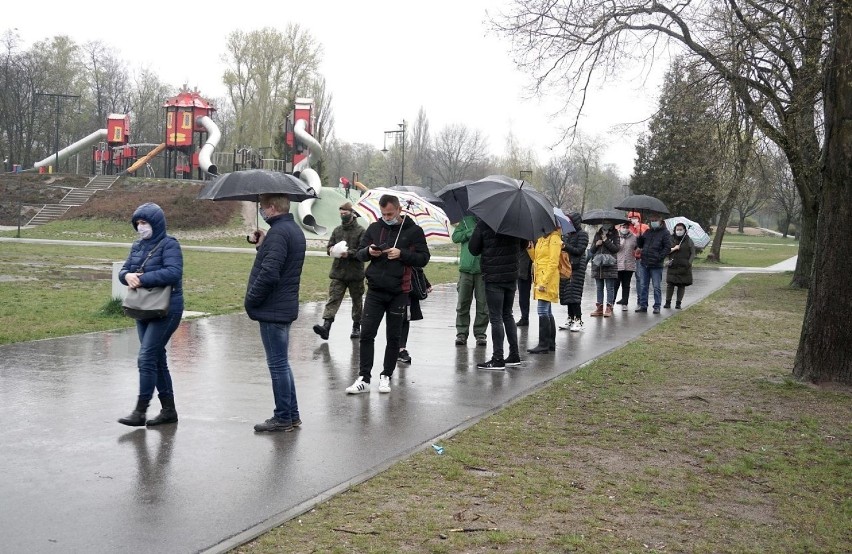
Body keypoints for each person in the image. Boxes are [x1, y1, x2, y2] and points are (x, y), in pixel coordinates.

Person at [346, 195, 430, 394]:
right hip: (375, 290)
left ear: (399, 210)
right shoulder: (375, 228)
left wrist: (402, 254)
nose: (386, 217)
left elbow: (423, 258)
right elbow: (359, 253)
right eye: (383, 214)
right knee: (366, 334)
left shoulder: (414, 231)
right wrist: (369, 251)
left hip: (399, 292)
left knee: (394, 337)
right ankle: (364, 378)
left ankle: (386, 375)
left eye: (390, 214)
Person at [117, 202, 184, 427]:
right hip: (142, 308)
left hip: (167, 308)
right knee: (156, 358)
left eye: (144, 222)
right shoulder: (137, 246)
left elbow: (174, 272)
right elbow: (124, 270)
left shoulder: (169, 244)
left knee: (146, 357)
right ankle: (168, 410)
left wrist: (141, 279)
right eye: (137, 223)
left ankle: (140, 411)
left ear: (156, 223)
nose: (141, 227)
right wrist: (127, 277)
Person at [245, 193, 306, 432]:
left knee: (278, 365)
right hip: (283, 306)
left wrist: (251, 299)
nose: (261, 212)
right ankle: (291, 415)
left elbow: (270, 273)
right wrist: (262, 246)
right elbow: (277, 262)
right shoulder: (291, 230)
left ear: (271, 208)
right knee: (282, 363)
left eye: (262, 208)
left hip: (273, 308)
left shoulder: (279, 234)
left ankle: (282, 417)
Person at [468, 220, 528, 369]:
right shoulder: (517, 222)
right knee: (508, 314)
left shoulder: (484, 223)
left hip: (494, 276)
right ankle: (514, 354)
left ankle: (498, 358)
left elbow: (473, 249)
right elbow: (524, 245)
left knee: (496, 318)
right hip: (511, 275)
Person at [313, 202, 365, 340]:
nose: (343, 216)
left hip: (355, 273)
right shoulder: (337, 230)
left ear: (352, 213)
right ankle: (326, 327)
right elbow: (329, 246)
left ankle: (356, 326)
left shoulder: (361, 231)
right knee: (333, 299)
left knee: (357, 301)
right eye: (341, 214)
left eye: (345, 213)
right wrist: (331, 250)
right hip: (338, 272)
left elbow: (362, 252)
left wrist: (349, 253)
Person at [452, 214, 489, 346]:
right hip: (465, 270)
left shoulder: (489, 222)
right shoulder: (465, 220)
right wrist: (469, 232)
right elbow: (455, 237)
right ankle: (461, 333)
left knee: (483, 305)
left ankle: (480, 334)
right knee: (462, 304)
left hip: (482, 270)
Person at [526, 228, 562, 353]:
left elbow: (553, 262)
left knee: (542, 311)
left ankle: (543, 344)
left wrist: (544, 282)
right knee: (547, 311)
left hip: (548, 279)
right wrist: (530, 249)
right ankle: (550, 344)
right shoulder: (541, 238)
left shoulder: (554, 239)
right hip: (540, 278)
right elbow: (537, 259)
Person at [635, 212, 672, 314]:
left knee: (656, 286)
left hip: (656, 264)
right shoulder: (648, 231)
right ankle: (643, 305)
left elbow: (667, 247)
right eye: (651, 220)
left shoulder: (665, 233)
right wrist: (639, 238)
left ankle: (657, 306)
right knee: (643, 285)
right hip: (645, 263)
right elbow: (641, 245)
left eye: (655, 220)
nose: (653, 222)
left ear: (660, 221)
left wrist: (659, 258)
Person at [559, 211, 589, 331]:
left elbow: (579, 250)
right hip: (566, 267)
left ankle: (579, 320)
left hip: (577, 268)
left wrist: (565, 246)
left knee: (574, 295)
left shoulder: (582, 234)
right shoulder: (567, 235)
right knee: (567, 295)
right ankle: (570, 318)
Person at [398, 268, 432, 363]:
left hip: (407, 288)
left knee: (405, 318)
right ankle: (394, 349)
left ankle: (401, 349)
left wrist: (425, 283)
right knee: (395, 319)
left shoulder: (409, 253)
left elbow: (416, 265)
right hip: (391, 285)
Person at [588, 222, 621, 317]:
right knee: (599, 287)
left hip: (609, 265)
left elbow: (616, 249)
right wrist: (596, 244)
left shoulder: (615, 234)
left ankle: (609, 307)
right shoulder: (598, 233)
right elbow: (592, 250)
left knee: (610, 287)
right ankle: (599, 307)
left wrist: (606, 240)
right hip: (598, 265)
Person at [664, 222, 696, 309]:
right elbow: (666, 251)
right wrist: (674, 249)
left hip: (684, 266)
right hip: (672, 265)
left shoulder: (689, 240)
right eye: (677, 229)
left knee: (681, 285)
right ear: (675, 230)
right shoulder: (670, 239)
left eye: (681, 229)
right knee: (670, 285)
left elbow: (693, 253)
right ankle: (668, 302)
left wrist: (689, 263)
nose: (679, 231)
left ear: (684, 230)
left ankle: (678, 303)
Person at [613, 223, 638, 311]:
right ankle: (611, 303)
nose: (625, 229)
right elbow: (614, 248)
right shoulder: (616, 236)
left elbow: (637, 248)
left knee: (626, 285)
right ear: (620, 228)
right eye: (624, 227)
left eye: (627, 227)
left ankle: (625, 303)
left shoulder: (634, 237)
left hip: (629, 265)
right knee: (615, 285)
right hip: (617, 264)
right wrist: (622, 241)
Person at [516, 249, 533, 327]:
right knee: (522, 298)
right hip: (521, 271)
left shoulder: (528, 242)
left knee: (523, 297)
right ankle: (524, 317)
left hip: (524, 272)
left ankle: (525, 318)